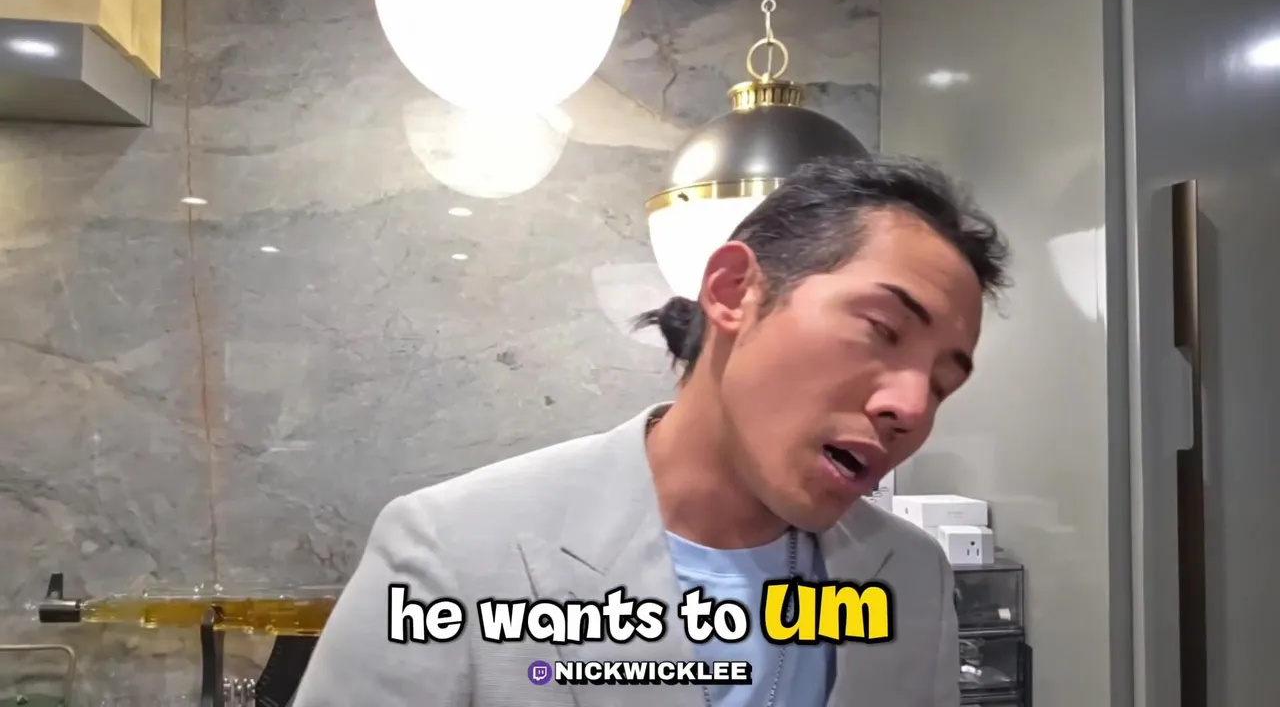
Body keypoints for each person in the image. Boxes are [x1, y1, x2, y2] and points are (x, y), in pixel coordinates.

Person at [293, 154, 1011, 707]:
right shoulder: (452, 550)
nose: (911, 407)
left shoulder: (910, 576)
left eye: (942, 383)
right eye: (881, 329)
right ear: (733, 291)